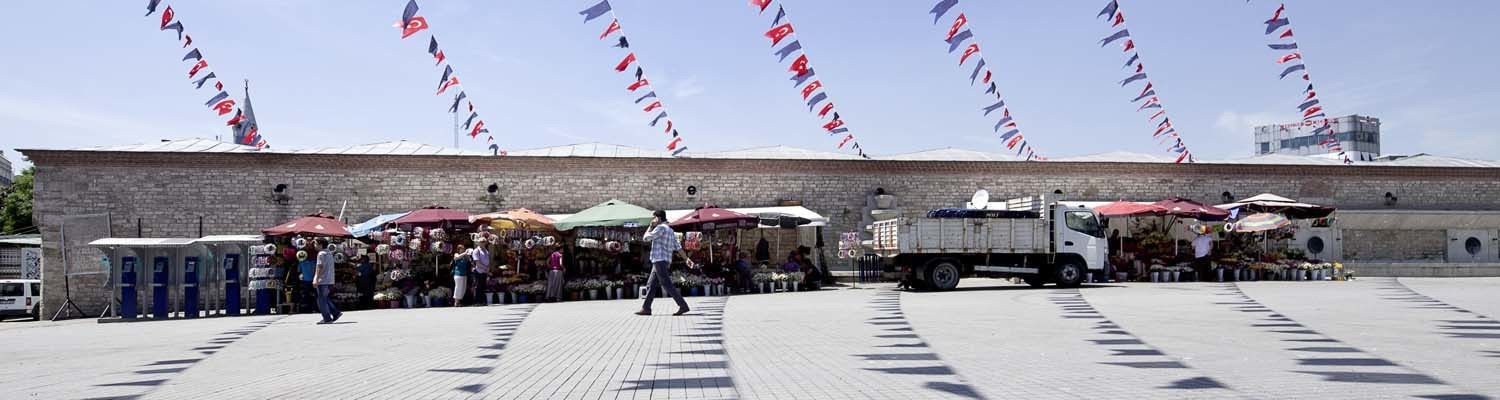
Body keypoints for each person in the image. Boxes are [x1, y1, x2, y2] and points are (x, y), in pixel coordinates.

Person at [637, 210, 695, 316]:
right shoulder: (670, 230)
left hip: (659, 260)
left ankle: (683, 305)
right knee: (651, 284)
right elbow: (678, 247)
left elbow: (646, 238)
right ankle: (646, 308)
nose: (652, 220)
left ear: (658, 218)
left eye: (653, 218)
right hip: (663, 261)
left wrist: (650, 226)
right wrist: (686, 259)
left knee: (666, 283)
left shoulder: (660, 228)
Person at [313, 239, 342, 324]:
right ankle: (335, 313)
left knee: (321, 300)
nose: (315, 246)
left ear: (320, 244)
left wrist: (316, 278)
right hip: (330, 279)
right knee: (325, 298)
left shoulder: (321, 254)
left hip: (323, 280)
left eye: (315, 244)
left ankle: (327, 318)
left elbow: (320, 267)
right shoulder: (329, 253)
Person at [297, 248, 316, 313]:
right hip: (313, 281)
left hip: (305, 281)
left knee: (306, 295)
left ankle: (307, 309)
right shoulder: (314, 262)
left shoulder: (301, 262)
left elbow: (298, 270)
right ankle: (314, 308)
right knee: (314, 295)